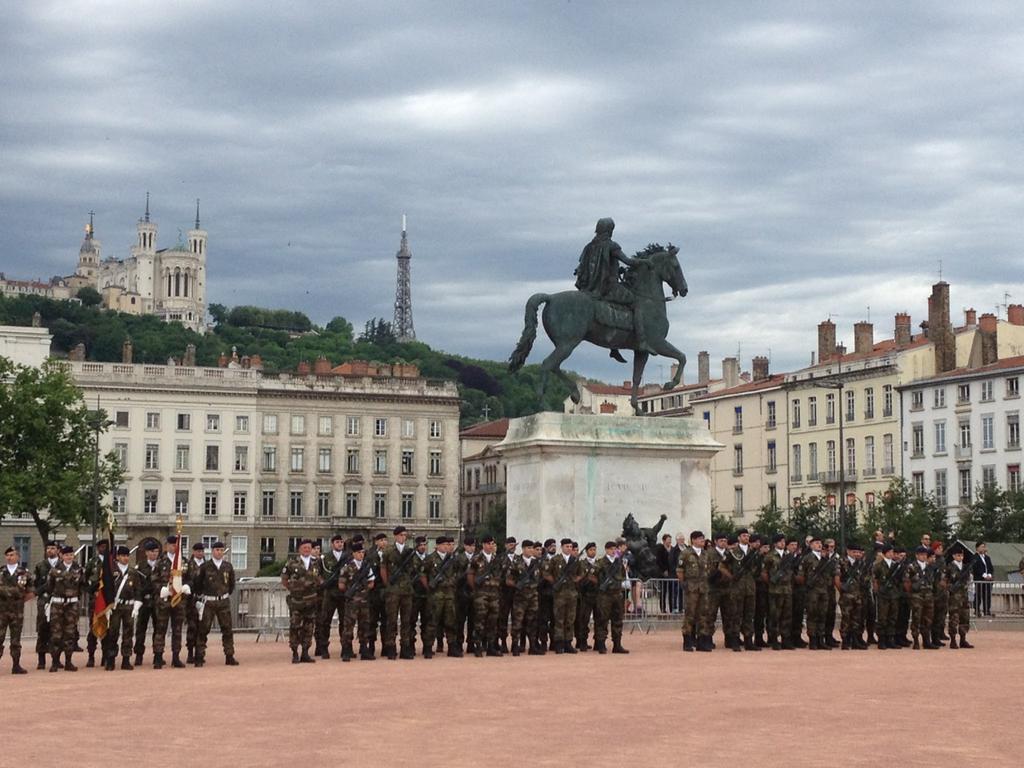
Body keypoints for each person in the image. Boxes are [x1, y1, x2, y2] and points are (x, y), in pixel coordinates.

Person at [573, 216, 652, 358]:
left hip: (590, 288)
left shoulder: (589, 247)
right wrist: (645, 262)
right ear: (609, 230)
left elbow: (584, 267)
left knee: (615, 307)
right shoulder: (611, 245)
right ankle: (641, 341)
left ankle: (614, 347)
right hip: (608, 287)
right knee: (636, 303)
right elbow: (628, 261)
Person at [194, 541, 237, 667]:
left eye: (221, 550)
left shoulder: (227, 566)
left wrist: (225, 594)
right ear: (212, 551)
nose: (219, 552)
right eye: (217, 550)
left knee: (227, 629)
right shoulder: (205, 566)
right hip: (209, 602)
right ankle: (199, 656)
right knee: (203, 630)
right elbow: (198, 583)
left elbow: (231, 584)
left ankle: (229, 655)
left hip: (223, 601)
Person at [102, 545, 144, 671]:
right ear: (118, 557)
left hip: (128, 606)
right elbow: (105, 589)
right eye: (123, 556)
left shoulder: (133, 572)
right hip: (115, 606)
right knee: (113, 633)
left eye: (127, 556)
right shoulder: (111, 571)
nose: (125, 558)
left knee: (128, 633)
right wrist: (107, 606)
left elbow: (138, 590)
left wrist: (137, 605)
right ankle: (110, 660)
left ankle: (126, 659)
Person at [281, 539, 323, 663]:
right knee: (295, 626)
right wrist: (294, 589)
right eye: (304, 548)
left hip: (311, 600)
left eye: (309, 548)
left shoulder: (316, 563)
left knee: (309, 627)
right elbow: (284, 580)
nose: (307, 550)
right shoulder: (292, 563)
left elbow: (320, 578)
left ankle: (305, 652)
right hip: (297, 601)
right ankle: (295, 652)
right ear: (300, 549)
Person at [151, 535, 189, 669]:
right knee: (160, 629)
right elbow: (154, 579)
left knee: (177, 630)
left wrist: (185, 588)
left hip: (178, 601)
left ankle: (176, 657)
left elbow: (189, 578)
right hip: (164, 600)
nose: (174, 547)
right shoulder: (161, 561)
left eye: (176, 545)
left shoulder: (183, 561)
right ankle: (158, 657)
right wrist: (163, 590)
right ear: (167, 545)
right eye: (172, 545)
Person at [381, 525, 418, 660]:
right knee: (391, 620)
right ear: (395, 536)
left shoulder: (409, 551)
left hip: (407, 590)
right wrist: (388, 585)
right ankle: (390, 647)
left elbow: (413, 569)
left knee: (406, 620)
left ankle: (405, 647)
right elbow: (383, 569)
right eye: (401, 535)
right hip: (393, 590)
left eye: (405, 535)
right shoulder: (389, 551)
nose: (404, 537)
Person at [421, 536, 459, 658]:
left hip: (449, 594)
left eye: (448, 544)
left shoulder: (452, 559)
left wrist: (452, 582)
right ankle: (428, 647)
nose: (446, 547)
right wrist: (429, 587)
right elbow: (422, 574)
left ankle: (452, 647)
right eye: (443, 544)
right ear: (437, 546)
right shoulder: (430, 558)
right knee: (432, 622)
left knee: (450, 622)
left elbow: (458, 573)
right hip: (435, 595)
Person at [46, 545, 82, 671]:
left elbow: (81, 587)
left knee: (70, 633)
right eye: (67, 555)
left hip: (72, 605)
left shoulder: (78, 569)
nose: (69, 557)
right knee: (56, 634)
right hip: (58, 605)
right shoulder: (55, 570)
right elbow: (49, 587)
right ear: (62, 556)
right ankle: (55, 662)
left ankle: (68, 661)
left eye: (71, 555)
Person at [338, 542, 375, 661]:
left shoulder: (366, 566)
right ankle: (346, 650)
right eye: (359, 552)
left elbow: (371, 582)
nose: (361, 555)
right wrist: (352, 591)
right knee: (348, 626)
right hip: (352, 601)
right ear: (353, 553)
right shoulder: (347, 567)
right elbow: (341, 585)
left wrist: (363, 589)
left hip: (364, 601)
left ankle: (364, 649)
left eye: (363, 552)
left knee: (365, 625)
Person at [543, 538, 581, 654]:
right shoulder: (555, 560)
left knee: (570, 619)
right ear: (562, 547)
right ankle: (558, 644)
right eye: (567, 547)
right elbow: (546, 573)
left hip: (572, 594)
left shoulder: (575, 560)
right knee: (559, 619)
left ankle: (568, 642)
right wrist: (555, 582)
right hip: (559, 594)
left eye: (570, 547)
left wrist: (575, 580)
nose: (569, 549)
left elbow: (581, 573)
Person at [1, 545, 35, 674]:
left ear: (18, 557)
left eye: (12, 555)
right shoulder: (1, 571)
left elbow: (31, 591)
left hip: (17, 611)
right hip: (2, 611)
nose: (10, 557)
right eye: (8, 555)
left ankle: (16, 665)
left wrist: (19, 600)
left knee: (16, 640)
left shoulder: (24, 573)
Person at [468, 535, 503, 657]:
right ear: (483, 545)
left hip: (494, 594)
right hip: (481, 594)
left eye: (492, 543)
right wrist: (475, 589)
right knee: (480, 621)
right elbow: (471, 575)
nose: (490, 546)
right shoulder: (476, 558)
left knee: (493, 621)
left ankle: (491, 647)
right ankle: (478, 645)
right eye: (488, 543)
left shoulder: (496, 559)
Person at [507, 540, 542, 656]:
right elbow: (508, 580)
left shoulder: (536, 563)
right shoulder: (516, 562)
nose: (531, 550)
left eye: (532, 548)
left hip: (533, 597)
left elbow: (540, 578)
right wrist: (517, 585)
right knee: (517, 623)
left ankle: (532, 646)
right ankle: (515, 645)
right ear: (523, 549)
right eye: (528, 548)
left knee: (532, 622)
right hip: (520, 598)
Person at [592, 541, 628, 654]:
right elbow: (592, 575)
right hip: (605, 595)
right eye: (611, 549)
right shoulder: (601, 562)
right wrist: (601, 584)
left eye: (615, 549)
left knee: (617, 620)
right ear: (606, 550)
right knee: (602, 619)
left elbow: (622, 575)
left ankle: (617, 644)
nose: (614, 551)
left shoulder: (618, 562)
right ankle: (601, 644)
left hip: (617, 594)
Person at [677, 530, 710, 652]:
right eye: (700, 538)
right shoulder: (686, 554)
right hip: (691, 588)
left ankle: (701, 641)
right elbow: (680, 570)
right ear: (693, 540)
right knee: (690, 614)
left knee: (702, 614)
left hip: (703, 588)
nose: (702, 540)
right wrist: (683, 584)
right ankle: (687, 641)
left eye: (703, 538)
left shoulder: (705, 554)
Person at [316, 533, 348, 659]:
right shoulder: (324, 558)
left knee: (344, 622)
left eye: (341, 542)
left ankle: (346, 647)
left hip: (344, 593)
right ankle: (323, 647)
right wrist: (322, 582)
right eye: (337, 542)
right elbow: (317, 573)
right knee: (325, 621)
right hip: (329, 593)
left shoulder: (347, 557)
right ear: (332, 544)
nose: (340, 544)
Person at [799, 536, 834, 651]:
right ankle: (813, 639)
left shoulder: (826, 558)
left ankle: (821, 639)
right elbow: (802, 575)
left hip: (824, 590)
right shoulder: (807, 558)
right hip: (812, 591)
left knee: (822, 614)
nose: (819, 545)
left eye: (820, 543)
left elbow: (830, 573)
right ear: (811, 545)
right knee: (812, 615)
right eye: (816, 543)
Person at [763, 533, 794, 650]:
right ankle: (774, 639)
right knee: (774, 616)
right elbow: (764, 573)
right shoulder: (770, 556)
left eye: (783, 541)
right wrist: (771, 583)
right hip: (775, 591)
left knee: (787, 616)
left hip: (787, 590)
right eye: (780, 541)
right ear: (775, 543)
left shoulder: (788, 555)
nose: (783, 543)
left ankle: (786, 639)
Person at [905, 545, 939, 649]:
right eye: (921, 555)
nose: (923, 557)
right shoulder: (912, 566)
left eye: (925, 555)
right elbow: (906, 581)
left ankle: (926, 641)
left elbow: (934, 581)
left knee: (928, 619)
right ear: (916, 555)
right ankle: (915, 640)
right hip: (917, 596)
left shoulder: (930, 567)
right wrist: (910, 593)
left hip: (928, 595)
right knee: (916, 618)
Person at [132, 541, 160, 667]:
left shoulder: (162, 565)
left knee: (158, 629)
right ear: (147, 553)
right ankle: (139, 655)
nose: (154, 554)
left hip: (158, 601)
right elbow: (137, 586)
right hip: (144, 601)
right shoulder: (140, 567)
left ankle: (157, 655)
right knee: (140, 630)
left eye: (156, 552)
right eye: (152, 552)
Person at [835, 542, 867, 650]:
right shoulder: (842, 562)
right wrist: (843, 591)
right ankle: (845, 640)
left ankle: (855, 640)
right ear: (848, 551)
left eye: (858, 552)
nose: (857, 554)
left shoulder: (861, 563)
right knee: (846, 618)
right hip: (846, 596)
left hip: (858, 595)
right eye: (854, 552)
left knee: (856, 618)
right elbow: (837, 579)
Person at [705, 532, 734, 650]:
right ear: (715, 541)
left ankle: (729, 639)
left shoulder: (729, 554)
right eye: (721, 540)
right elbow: (708, 571)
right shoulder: (709, 554)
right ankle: (707, 639)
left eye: (725, 541)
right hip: (714, 589)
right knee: (710, 614)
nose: (723, 543)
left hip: (727, 589)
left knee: (728, 614)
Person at [32, 541, 59, 669]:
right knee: (42, 629)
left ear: (58, 550)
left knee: (58, 631)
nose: (50, 550)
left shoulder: (62, 566)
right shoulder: (40, 566)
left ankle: (57, 659)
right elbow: (35, 584)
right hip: (44, 600)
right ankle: (41, 660)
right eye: (48, 548)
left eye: (53, 548)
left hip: (58, 601)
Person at [82, 538, 108, 667]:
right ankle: (91, 656)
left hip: (108, 601)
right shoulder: (92, 562)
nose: (104, 549)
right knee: (93, 628)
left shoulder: (112, 563)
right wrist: (92, 591)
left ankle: (105, 656)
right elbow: (85, 580)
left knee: (107, 629)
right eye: (101, 547)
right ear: (98, 548)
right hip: (95, 600)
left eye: (106, 547)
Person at [946, 548, 974, 649]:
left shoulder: (966, 567)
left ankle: (963, 639)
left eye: (961, 555)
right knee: (954, 618)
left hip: (964, 596)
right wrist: (951, 588)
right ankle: (953, 640)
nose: (960, 557)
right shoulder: (949, 567)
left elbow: (969, 579)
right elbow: (945, 581)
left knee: (965, 617)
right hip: (954, 597)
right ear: (953, 556)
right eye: (958, 555)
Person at [365, 533, 388, 654]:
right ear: (376, 542)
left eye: (385, 540)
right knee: (372, 620)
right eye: (381, 540)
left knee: (386, 620)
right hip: (374, 592)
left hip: (386, 591)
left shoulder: (390, 554)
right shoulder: (370, 555)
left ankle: (386, 646)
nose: (384, 542)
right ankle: (371, 645)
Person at [184, 543, 206, 664]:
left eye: (201, 551)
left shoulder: (207, 565)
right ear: (193, 552)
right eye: (197, 551)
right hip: (191, 600)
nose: (200, 553)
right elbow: (185, 579)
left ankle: (200, 653)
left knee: (202, 628)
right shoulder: (188, 565)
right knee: (192, 627)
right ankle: (190, 652)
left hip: (204, 599)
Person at [575, 542, 598, 651]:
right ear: (587, 551)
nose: (593, 552)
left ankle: (598, 642)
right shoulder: (581, 564)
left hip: (597, 595)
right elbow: (578, 578)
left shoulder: (599, 563)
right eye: (591, 550)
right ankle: (582, 642)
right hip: (585, 595)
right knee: (583, 619)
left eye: (594, 549)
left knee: (599, 619)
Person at [454, 537, 476, 654]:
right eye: (470, 545)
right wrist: (464, 574)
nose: (472, 548)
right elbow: (455, 576)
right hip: (461, 592)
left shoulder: (477, 559)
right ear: (465, 546)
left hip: (473, 592)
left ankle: (471, 643)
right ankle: (459, 643)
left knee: (473, 620)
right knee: (460, 620)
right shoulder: (458, 558)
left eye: (473, 545)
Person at [497, 536, 518, 654]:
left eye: (514, 545)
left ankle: (515, 643)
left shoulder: (519, 559)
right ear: (505, 545)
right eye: (510, 544)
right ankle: (503, 642)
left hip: (516, 594)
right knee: (503, 619)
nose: (512, 547)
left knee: (517, 619)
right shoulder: (500, 559)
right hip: (504, 593)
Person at [971, 541, 994, 616]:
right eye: (982, 546)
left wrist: (989, 575)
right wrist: (984, 575)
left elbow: (990, 567)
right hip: (979, 579)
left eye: (984, 547)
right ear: (977, 548)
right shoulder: (974, 557)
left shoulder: (987, 558)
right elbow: (976, 568)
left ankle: (986, 609)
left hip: (988, 580)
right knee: (978, 595)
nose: (984, 548)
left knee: (987, 595)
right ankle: (977, 610)